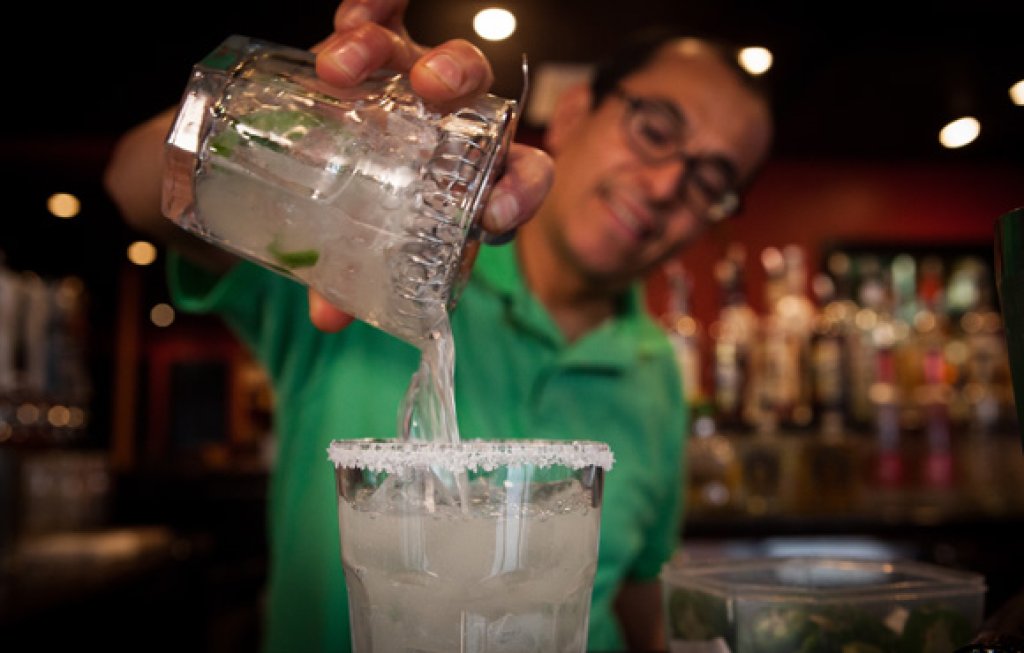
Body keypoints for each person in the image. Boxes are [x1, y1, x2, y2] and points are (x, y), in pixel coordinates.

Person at [103, 1, 774, 650]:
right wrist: (330, 113)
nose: (663, 187)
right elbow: (135, 185)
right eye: (655, 130)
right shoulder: (364, 254)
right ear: (573, 111)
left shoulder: (655, 368)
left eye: (707, 182)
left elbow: (634, 597)